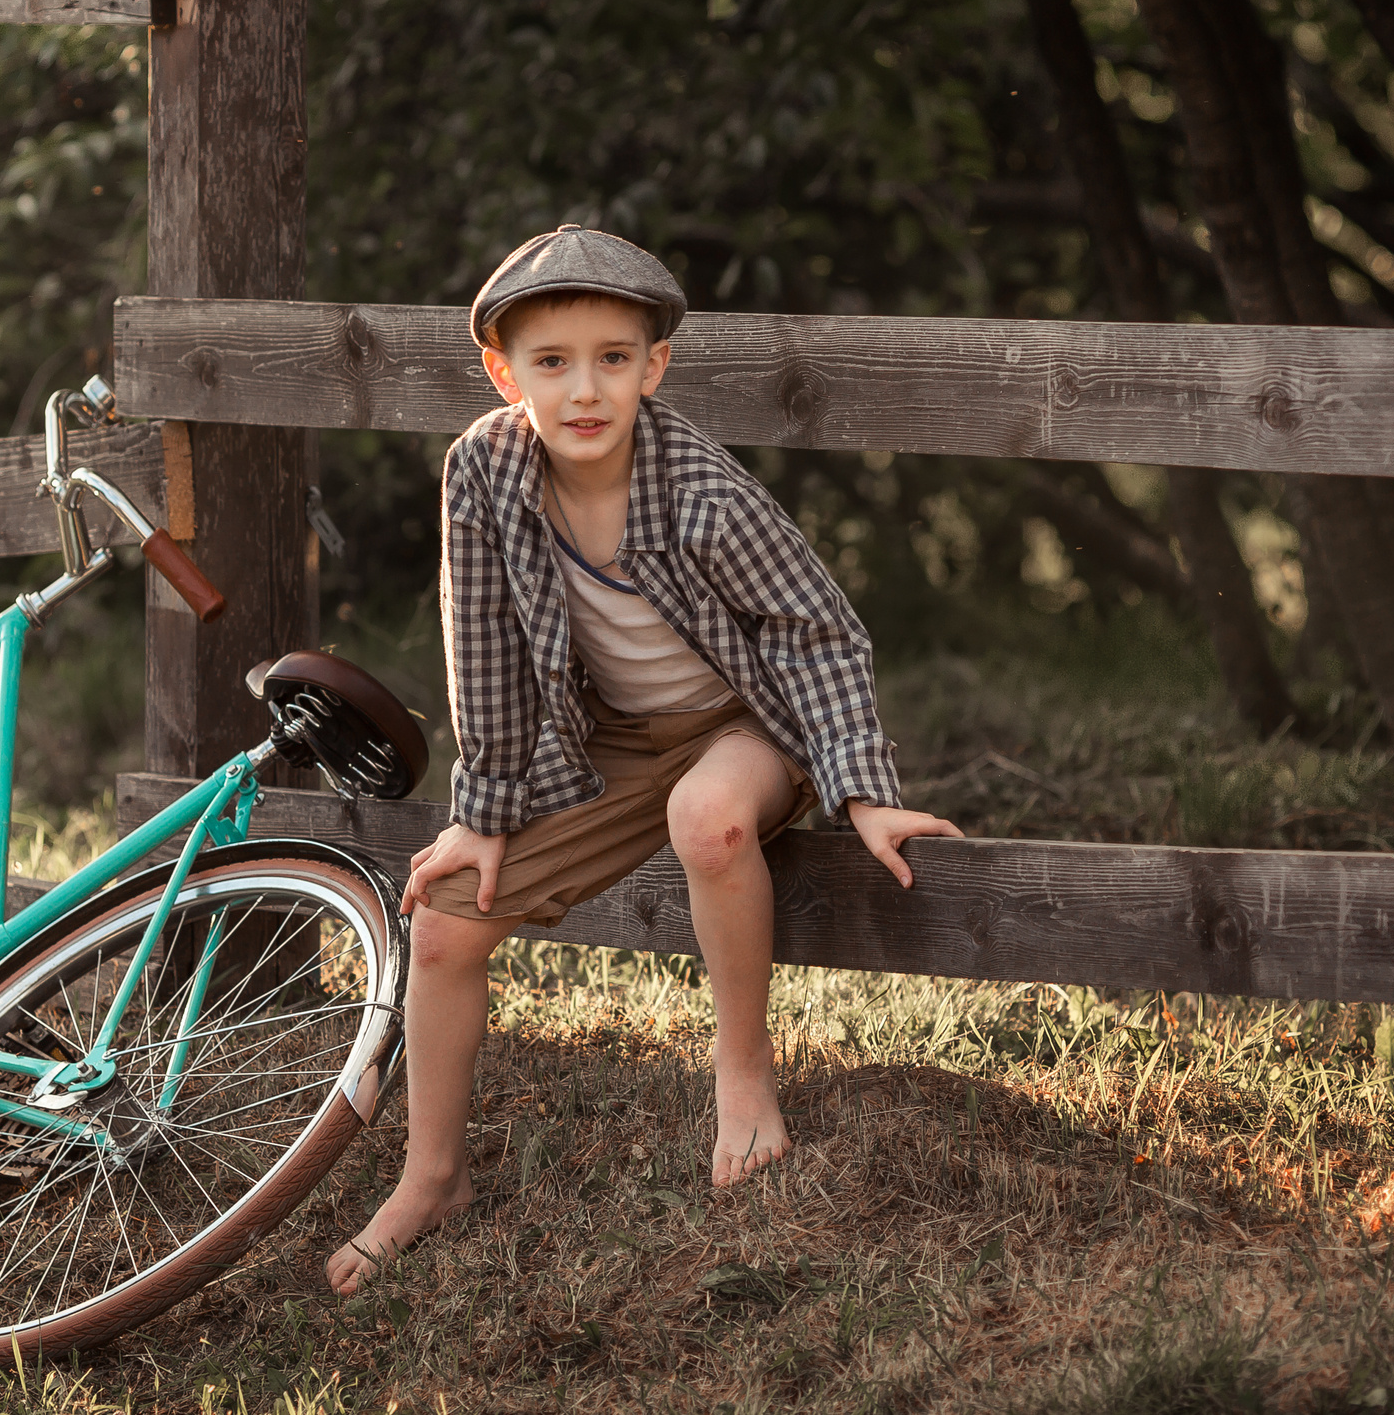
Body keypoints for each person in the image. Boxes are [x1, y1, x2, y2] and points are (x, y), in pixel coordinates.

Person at [327, 225, 960, 1296]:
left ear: (653, 366)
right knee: (440, 924)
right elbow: (477, 644)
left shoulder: (702, 494)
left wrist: (861, 791)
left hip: (744, 723)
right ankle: (432, 1175)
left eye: (613, 359)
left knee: (708, 820)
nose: (585, 390)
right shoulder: (481, 468)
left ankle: (745, 1078)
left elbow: (818, 633)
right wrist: (482, 811)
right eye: (553, 362)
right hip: (608, 742)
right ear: (502, 372)